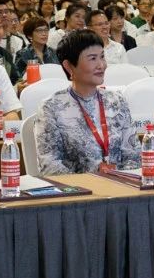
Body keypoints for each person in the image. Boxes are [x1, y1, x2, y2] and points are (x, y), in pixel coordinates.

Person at [33, 29, 141, 174]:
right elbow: (50, 165)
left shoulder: (116, 101)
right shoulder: (51, 108)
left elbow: (134, 155)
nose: (101, 65)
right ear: (69, 66)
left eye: (102, 57)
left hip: (122, 183)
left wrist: (121, 178)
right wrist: (91, 182)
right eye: (92, 58)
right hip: (76, 187)